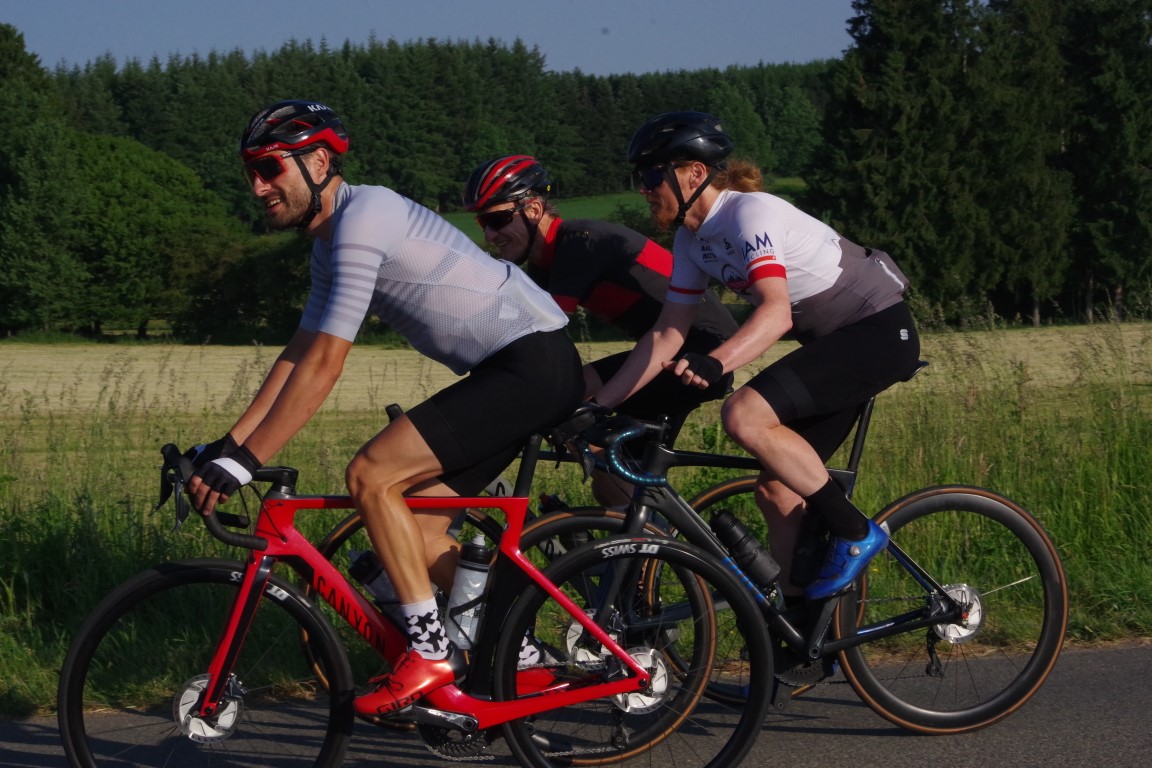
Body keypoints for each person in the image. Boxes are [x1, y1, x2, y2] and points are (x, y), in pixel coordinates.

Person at [186, 100, 585, 716]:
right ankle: (524, 654)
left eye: (269, 168)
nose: (258, 187)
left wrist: (247, 461)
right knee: (418, 535)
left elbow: (327, 363)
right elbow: (299, 353)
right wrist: (232, 446)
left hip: (528, 363)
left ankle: (429, 652)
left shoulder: (365, 217)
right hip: (515, 368)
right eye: (251, 173)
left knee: (371, 474)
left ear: (320, 162)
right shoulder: (329, 244)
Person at [593, 111, 921, 603]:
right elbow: (667, 333)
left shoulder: (749, 214)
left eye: (652, 174)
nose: (644, 188)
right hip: (835, 345)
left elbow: (775, 313)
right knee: (777, 491)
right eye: (639, 177)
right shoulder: (691, 239)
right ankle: (801, 627)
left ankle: (855, 532)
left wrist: (715, 362)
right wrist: (600, 406)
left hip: (877, 332)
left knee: (744, 413)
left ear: (694, 174)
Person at [462, 154, 738, 504]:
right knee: (609, 485)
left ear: (533, 210)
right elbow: (514, 336)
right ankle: (647, 529)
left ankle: (649, 525)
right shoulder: (545, 264)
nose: (489, 235)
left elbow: (541, 339)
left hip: (699, 353)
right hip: (665, 353)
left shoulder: (579, 243)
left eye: (497, 220)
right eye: (482, 223)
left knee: (569, 401)